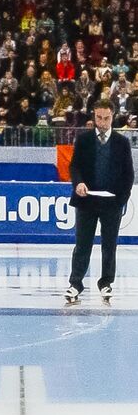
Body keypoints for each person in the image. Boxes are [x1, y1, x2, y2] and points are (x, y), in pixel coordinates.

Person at [65, 100, 134, 303]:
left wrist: (121, 199)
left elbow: (128, 174)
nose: (102, 122)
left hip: (111, 203)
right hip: (86, 201)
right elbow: (74, 166)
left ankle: (106, 283)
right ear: (94, 116)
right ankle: (75, 283)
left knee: (109, 245)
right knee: (82, 244)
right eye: (98, 117)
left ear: (113, 116)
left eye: (106, 118)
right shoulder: (84, 140)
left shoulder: (122, 142)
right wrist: (78, 184)